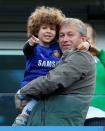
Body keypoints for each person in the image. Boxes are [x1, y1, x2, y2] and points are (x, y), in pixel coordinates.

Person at [13, 6, 89, 126]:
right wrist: (30, 43)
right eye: (44, 28)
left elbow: (74, 44)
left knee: (36, 105)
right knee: (32, 103)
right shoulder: (34, 47)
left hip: (47, 88)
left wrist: (86, 43)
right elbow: (26, 49)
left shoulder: (58, 47)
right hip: (32, 84)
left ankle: (24, 116)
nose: (48, 31)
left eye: (52, 29)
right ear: (36, 31)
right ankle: (23, 117)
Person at [84, 23, 105, 126]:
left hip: (99, 118)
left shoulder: (102, 66)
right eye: (80, 39)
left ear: (93, 42)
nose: (84, 43)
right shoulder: (65, 66)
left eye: (87, 39)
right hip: (72, 119)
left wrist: (100, 53)